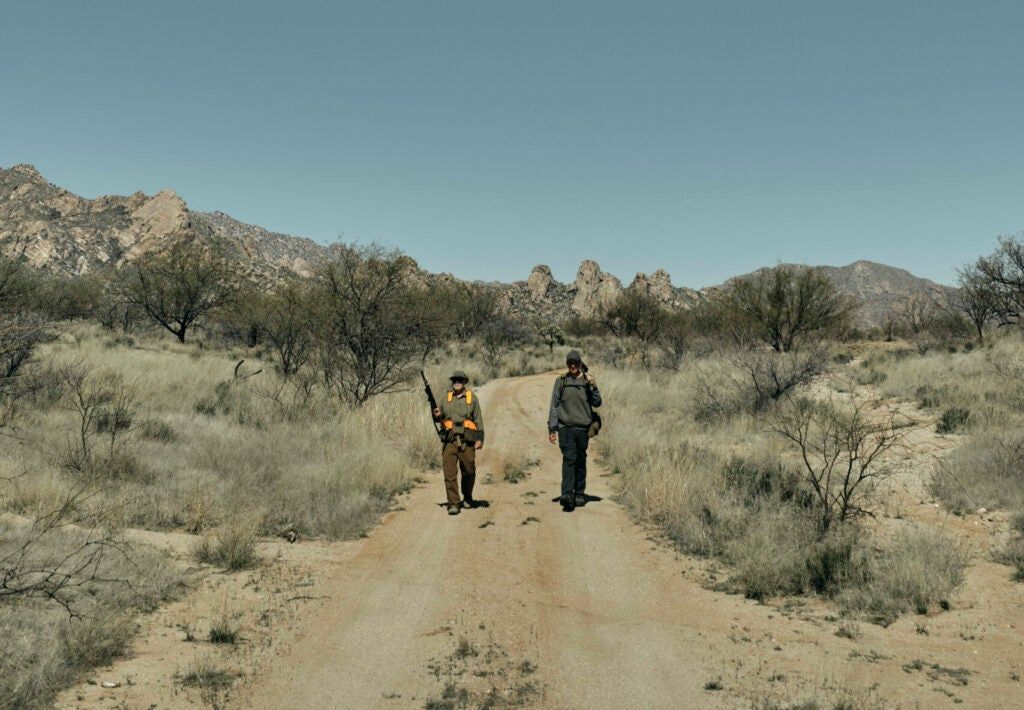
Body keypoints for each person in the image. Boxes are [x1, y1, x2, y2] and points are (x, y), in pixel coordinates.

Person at [548, 350, 602, 512]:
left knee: (580, 461)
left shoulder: (586, 381)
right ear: (567, 364)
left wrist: (593, 386)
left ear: (580, 364)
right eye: (569, 363)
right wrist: (552, 428)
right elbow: (554, 406)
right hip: (566, 428)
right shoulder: (561, 381)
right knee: (569, 459)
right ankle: (567, 494)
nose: (572, 366)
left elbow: (597, 403)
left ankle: (579, 493)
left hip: (583, 429)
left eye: (575, 363)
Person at [433, 370, 485, 515]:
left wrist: (480, 438)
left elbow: (478, 419)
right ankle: (454, 503)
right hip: (449, 440)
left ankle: (467, 496)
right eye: (454, 380)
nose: (457, 383)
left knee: (469, 470)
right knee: (449, 472)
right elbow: (438, 417)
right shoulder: (445, 398)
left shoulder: (472, 398)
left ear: (464, 382)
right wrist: (437, 415)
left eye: (460, 380)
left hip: (467, 441)